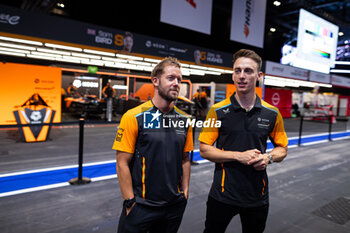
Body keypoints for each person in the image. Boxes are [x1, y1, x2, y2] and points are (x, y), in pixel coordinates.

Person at [198, 49, 288, 233]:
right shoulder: (217, 110)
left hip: (257, 196)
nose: (242, 76)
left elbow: (282, 148)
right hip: (222, 195)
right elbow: (204, 149)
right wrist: (238, 156)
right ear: (232, 74)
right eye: (237, 70)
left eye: (248, 71)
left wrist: (268, 158)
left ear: (259, 75)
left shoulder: (272, 113)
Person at [112, 57, 193, 233]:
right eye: (171, 78)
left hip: (173, 207)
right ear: (155, 81)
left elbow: (185, 159)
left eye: (179, 79)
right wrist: (129, 202)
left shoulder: (185, 120)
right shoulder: (133, 116)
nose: (176, 83)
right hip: (140, 207)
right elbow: (122, 162)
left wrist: (184, 193)